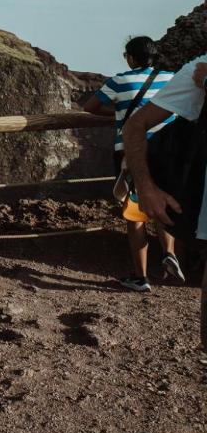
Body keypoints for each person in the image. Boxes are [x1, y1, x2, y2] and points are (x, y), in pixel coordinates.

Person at [124, 50, 207, 365]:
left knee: (132, 222)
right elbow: (136, 125)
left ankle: (145, 270)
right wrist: (146, 188)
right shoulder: (196, 70)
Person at [82, 36, 181, 291]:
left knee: (135, 214)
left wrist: (118, 114)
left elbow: (90, 106)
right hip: (167, 151)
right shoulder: (171, 79)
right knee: (162, 204)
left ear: (130, 57)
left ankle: (141, 278)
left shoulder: (120, 80)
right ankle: (169, 252)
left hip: (132, 153)